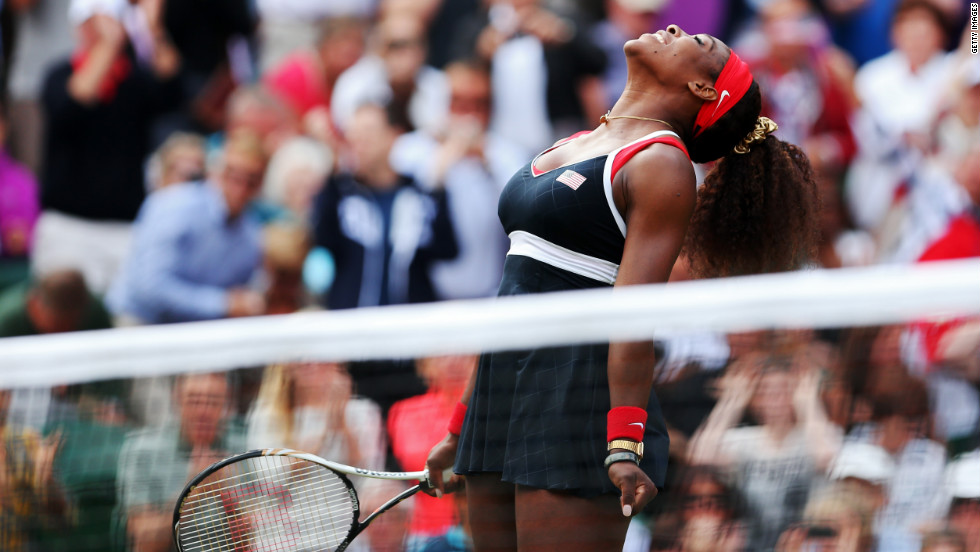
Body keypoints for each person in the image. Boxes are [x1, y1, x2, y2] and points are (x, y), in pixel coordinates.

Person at [424, 23, 819, 551]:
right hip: (504, 391)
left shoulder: (661, 163)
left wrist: (624, 441)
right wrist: (461, 424)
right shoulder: (577, 141)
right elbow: (513, 296)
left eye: (699, 44)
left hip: (580, 399)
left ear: (704, 89)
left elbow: (632, 317)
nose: (677, 29)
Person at [106, 130, 267, 325]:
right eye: (233, 175)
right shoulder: (173, 205)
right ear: (216, 171)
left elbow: (241, 295)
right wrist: (221, 304)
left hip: (196, 331)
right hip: (141, 320)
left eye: (251, 180)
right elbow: (149, 288)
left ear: (260, 184)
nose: (240, 188)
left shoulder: (251, 234)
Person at [116, 371, 243, 552]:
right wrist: (191, 493)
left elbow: (258, 536)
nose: (203, 412)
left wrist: (232, 503)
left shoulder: (245, 446)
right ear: (177, 399)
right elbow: (144, 544)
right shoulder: (142, 449)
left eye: (213, 401)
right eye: (194, 400)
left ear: (227, 405)